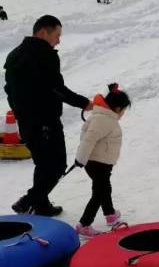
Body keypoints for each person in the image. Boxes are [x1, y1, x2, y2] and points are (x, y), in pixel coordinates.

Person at [4, 14, 91, 216]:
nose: (58, 40)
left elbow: (9, 90)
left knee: (43, 165)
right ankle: (28, 201)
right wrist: (84, 103)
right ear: (43, 32)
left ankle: (41, 205)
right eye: (57, 35)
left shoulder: (14, 54)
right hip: (46, 122)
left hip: (26, 123)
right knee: (57, 166)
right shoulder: (45, 55)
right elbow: (56, 89)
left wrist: (19, 114)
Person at [74, 83, 131, 237]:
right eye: (124, 110)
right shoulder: (104, 120)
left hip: (100, 162)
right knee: (99, 192)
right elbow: (88, 140)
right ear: (118, 109)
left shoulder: (104, 117)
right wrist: (80, 159)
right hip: (97, 163)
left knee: (104, 188)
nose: (123, 113)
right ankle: (84, 224)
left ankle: (110, 214)